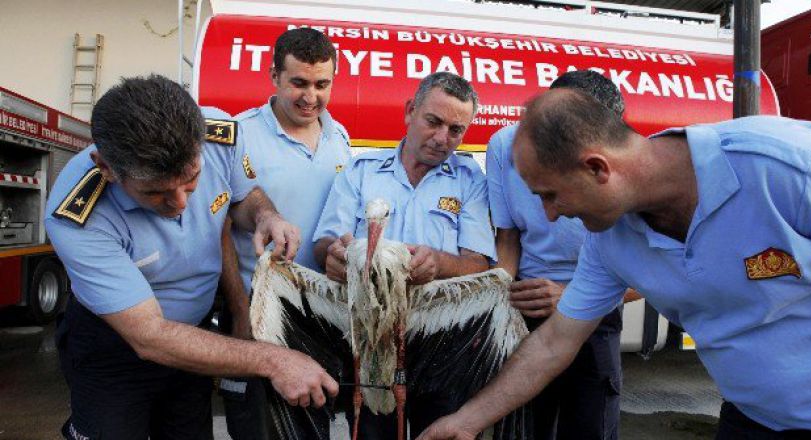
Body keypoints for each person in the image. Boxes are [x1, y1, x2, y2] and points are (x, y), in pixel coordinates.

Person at [418, 88, 811, 440]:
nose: (550, 215)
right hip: (752, 422)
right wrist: (465, 421)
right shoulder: (610, 240)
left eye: (550, 195)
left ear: (598, 168)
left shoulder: (786, 168)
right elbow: (555, 342)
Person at [47, 75, 338, 440]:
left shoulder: (219, 135)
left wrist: (267, 217)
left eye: (191, 181)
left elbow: (243, 197)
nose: (180, 204)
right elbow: (150, 337)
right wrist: (274, 360)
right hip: (115, 352)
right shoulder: (78, 218)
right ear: (106, 167)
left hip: (198, 344)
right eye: (156, 193)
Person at [313, 71, 495, 438]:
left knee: (441, 432)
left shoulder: (469, 180)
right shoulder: (361, 172)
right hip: (370, 343)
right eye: (434, 121)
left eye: (456, 130)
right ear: (410, 111)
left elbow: (480, 264)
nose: (443, 139)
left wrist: (440, 263)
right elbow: (324, 243)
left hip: (441, 341)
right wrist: (332, 256)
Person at [218, 27, 351, 439]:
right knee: (254, 426)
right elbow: (219, 227)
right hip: (255, 314)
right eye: (299, 82)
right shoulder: (239, 135)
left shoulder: (340, 137)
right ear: (274, 76)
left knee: (312, 427)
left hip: (320, 315)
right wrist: (240, 314)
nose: (311, 96)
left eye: (321, 84)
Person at [487, 70, 626, 440]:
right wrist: (499, 305)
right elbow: (508, 237)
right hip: (527, 301)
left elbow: (649, 273)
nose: (551, 211)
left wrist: (572, 297)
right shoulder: (503, 146)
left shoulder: (626, 163)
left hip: (598, 307)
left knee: (590, 424)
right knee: (522, 424)